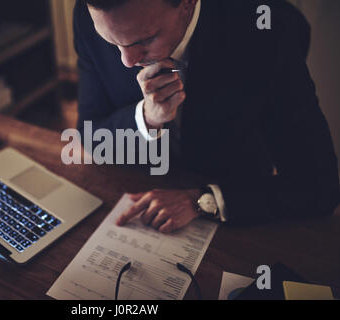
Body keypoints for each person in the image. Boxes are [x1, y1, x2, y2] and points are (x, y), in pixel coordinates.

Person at [73, 0, 340, 232]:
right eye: (111, 42)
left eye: (145, 39)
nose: (127, 61)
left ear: (188, 3)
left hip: (234, 203)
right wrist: (146, 117)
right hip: (137, 188)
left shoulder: (269, 31)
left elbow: (318, 187)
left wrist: (204, 200)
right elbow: (92, 135)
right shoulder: (92, 17)